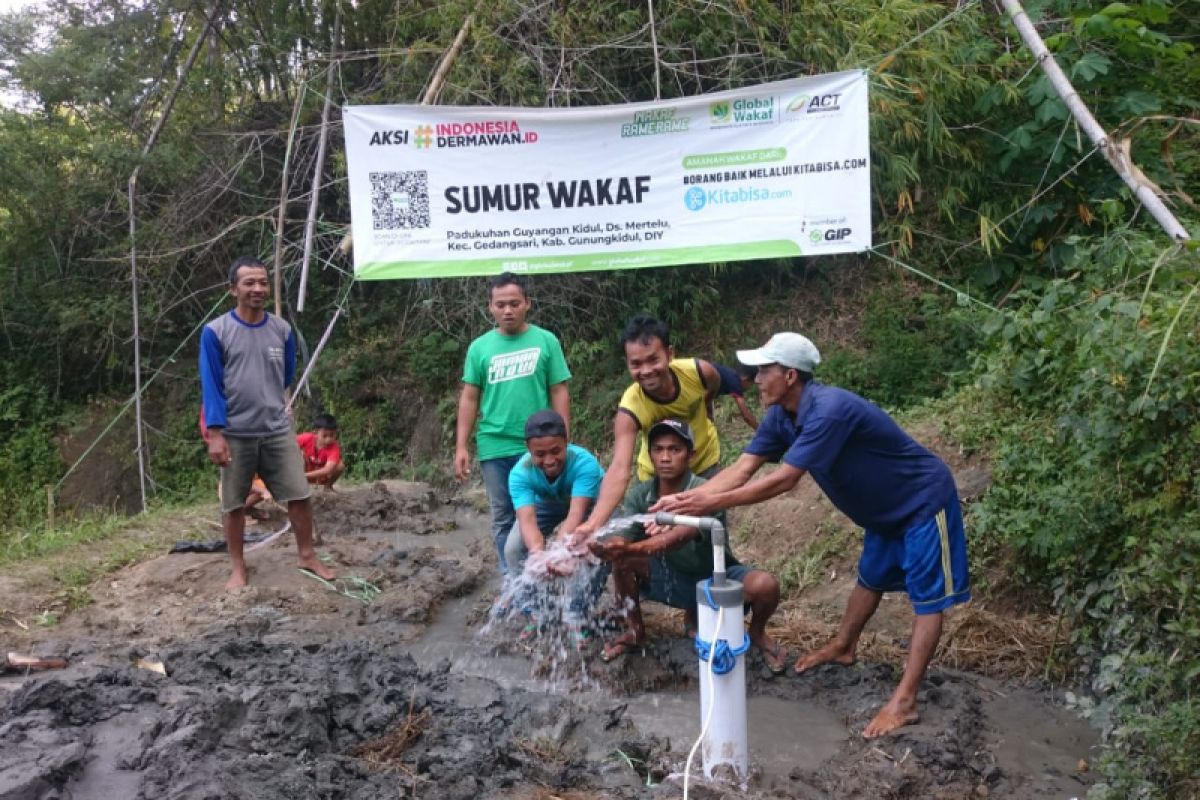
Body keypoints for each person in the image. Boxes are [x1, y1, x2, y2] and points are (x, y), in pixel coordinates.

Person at [652, 332, 969, 739]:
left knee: (926, 600)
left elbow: (784, 480)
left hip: (922, 502)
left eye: (763, 371)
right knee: (870, 577)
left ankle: (905, 702)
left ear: (789, 375)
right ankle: (844, 645)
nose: (754, 378)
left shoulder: (828, 411)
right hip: (885, 513)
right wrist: (686, 499)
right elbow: (744, 468)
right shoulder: (782, 416)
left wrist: (707, 505)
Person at [588, 418, 783, 671]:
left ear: (690, 455)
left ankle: (757, 633)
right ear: (650, 455)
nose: (665, 457)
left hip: (715, 579)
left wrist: (630, 549)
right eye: (658, 450)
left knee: (766, 586)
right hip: (671, 579)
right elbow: (624, 535)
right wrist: (608, 546)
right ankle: (635, 631)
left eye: (674, 450)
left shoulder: (704, 491)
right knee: (621, 561)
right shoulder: (641, 494)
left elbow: (679, 536)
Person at [199, 255, 336, 591]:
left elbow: (285, 375)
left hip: (276, 430)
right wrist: (215, 434)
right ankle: (238, 567)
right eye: (249, 283)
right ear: (233, 289)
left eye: (262, 282)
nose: (258, 289)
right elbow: (211, 385)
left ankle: (306, 555)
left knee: (299, 494)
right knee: (233, 503)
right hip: (235, 432)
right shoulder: (216, 332)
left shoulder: (282, 330)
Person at [455, 272, 571, 577]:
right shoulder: (479, 348)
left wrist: (565, 438)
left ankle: (546, 568)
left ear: (527, 304)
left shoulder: (546, 341)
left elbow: (559, 390)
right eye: (501, 304)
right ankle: (513, 582)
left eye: (514, 303)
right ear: (490, 307)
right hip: (494, 444)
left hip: (539, 446)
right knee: (503, 515)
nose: (508, 310)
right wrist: (461, 446)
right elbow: (469, 398)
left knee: (545, 508)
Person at [571, 315, 721, 540]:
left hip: (703, 465)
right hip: (657, 476)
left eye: (653, 360)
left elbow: (712, 390)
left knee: (706, 537)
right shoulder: (631, 407)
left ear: (670, 354)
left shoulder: (699, 372)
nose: (647, 370)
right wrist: (593, 524)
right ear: (627, 364)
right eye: (636, 364)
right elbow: (620, 467)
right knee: (655, 542)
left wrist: (706, 414)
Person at [504, 409, 607, 643]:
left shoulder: (584, 463)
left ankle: (577, 612)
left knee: (600, 548)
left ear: (566, 443)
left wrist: (559, 553)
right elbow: (527, 521)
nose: (549, 460)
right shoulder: (520, 474)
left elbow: (575, 517)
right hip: (548, 503)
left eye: (556, 451)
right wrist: (538, 555)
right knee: (513, 549)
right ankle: (537, 612)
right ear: (528, 450)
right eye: (539, 454)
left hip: (591, 503)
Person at [297, 413, 345, 488]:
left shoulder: (334, 447)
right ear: (315, 432)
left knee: (340, 466)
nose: (328, 439)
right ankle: (298, 485)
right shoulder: (306, 438)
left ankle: (328, 487)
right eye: (324, 436)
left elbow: (328, 469)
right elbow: (288, 446)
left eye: (332, 435)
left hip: (321, 477)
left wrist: (304, 475)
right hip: (303, 473)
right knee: (297, 453)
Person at [711, 362, 758, 430]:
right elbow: (746, 416)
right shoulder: (735, 383)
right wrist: (761, 431)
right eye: (751, 384)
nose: (749, 388)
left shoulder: (729, 374)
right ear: (746, 379)